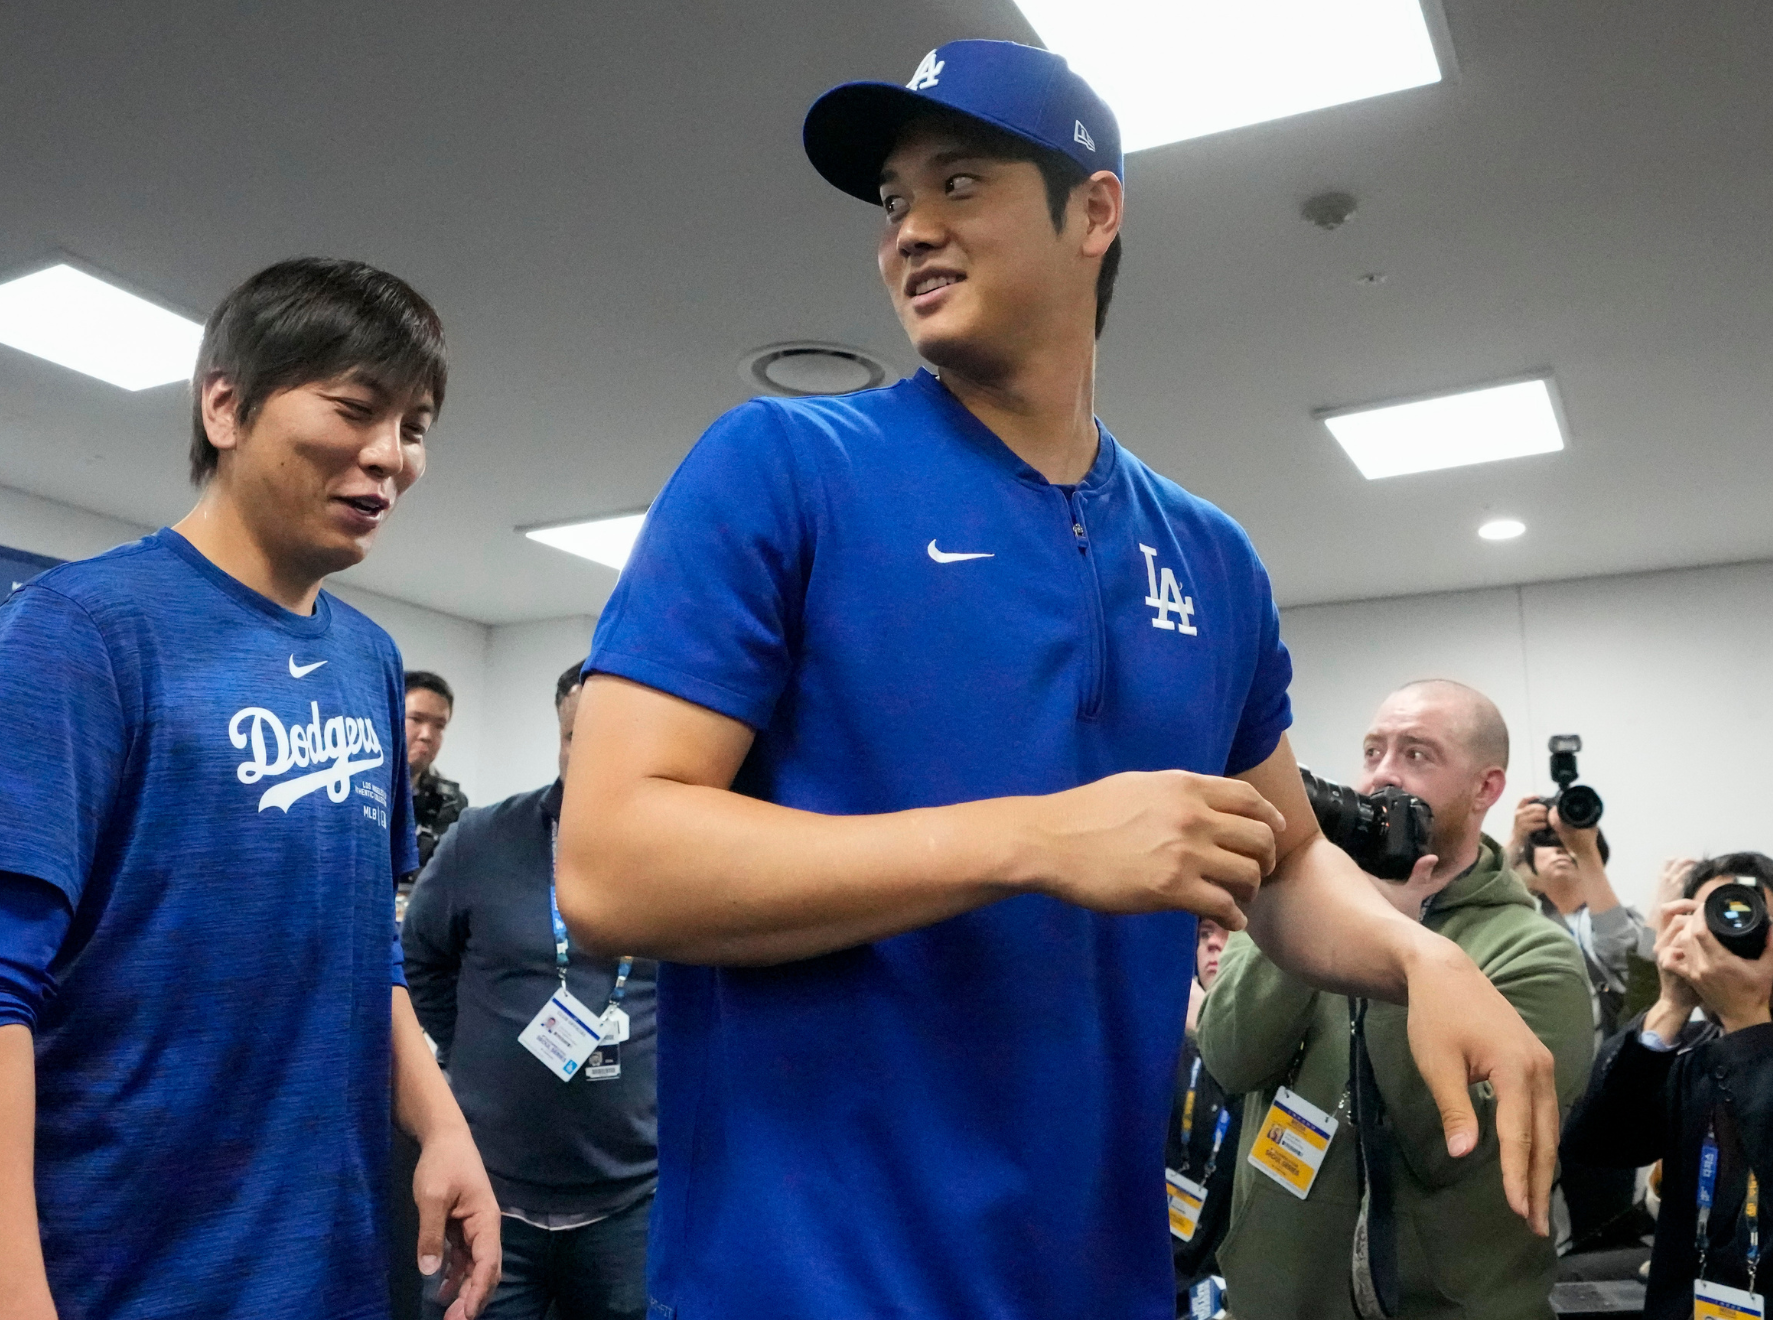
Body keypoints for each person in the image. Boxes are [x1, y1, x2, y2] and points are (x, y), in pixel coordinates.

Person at [555, 41, 1561, 1320]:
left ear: (1094, 212)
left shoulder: (1211, 557)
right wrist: (1036, 840)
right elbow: (610, 867)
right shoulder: (782, 467)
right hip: (804, 1281)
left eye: (959, 183)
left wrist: (1423, 961)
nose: (910, 231)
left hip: (1098, 1276)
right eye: (893, 201)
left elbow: (1287, 859)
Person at [0, 259, 501, 1320]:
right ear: (225, 406)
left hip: (324, 1272)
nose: (390, 455)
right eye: (355, 409)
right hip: (115, 1274)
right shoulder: (83, 630)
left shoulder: (370, 662)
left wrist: (443, 1125)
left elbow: (369, 950)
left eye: (415, 426)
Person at [1199, 679, 1594, 1318]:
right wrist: (1328, 918)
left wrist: (1396, 947)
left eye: (1417, 754)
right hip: (1276, 1302)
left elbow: (1459, 1157)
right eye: (1373, 751)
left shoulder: (1534, 954)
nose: (1384, 775)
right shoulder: (1291, 900)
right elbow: (1231, 1058)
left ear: (1485, 788)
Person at [404, 660, 657, 1320]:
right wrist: (469, 1049)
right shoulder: (482, 838)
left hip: (629, 1207)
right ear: (559, 735)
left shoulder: (681, 856)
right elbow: (419, 959)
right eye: (577, 737)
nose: (593, 757)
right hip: (490, 1191)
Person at [1563, 852, 1773, 1320]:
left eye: (1755, 922)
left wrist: (1748, 1021)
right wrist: (1670, 1006)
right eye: (1708, 922)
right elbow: (1597, 1147)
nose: (1729, 938)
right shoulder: (1691, 1050)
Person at [1511, 797, 1648, 1039]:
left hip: (1603, 1047)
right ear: (1529, 859)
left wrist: (1586, 850)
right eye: (1548, 838)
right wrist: (1515, 839)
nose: (1561, 847)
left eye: (1567, 840)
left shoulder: (1620, 914)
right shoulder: (1519, 918)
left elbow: (1625, 959)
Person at [1167, 917, 1242, 1315]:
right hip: (1157, 1266)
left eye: (1229, 932)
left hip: (1227, 1283)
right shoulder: (1167, 1040)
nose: (1213, 944)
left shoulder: (1270, 1053)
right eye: (1205, 933)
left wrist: (1208, 1024)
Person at [406, 670, 470, 871]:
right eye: (416, 719)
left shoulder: (452, 804)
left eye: (439, 726)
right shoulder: (354, 789)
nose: (427, 735)